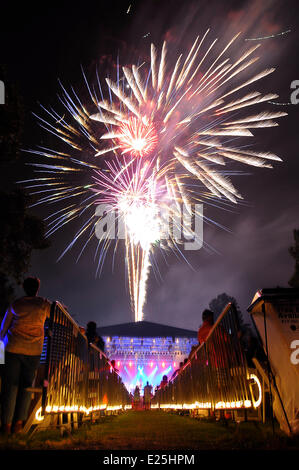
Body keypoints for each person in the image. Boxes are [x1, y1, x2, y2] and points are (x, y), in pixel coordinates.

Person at [0, 277, 51, 434]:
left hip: (13, 348)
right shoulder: (43, 304)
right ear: (37, 288)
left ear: (24, 288)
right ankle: (19, 424)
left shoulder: (16, 304)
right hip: (34, 351)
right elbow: (59, 315)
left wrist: (1, 351)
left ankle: (6, 425)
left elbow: (3, 330)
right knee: (27, 387)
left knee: (10, 386)